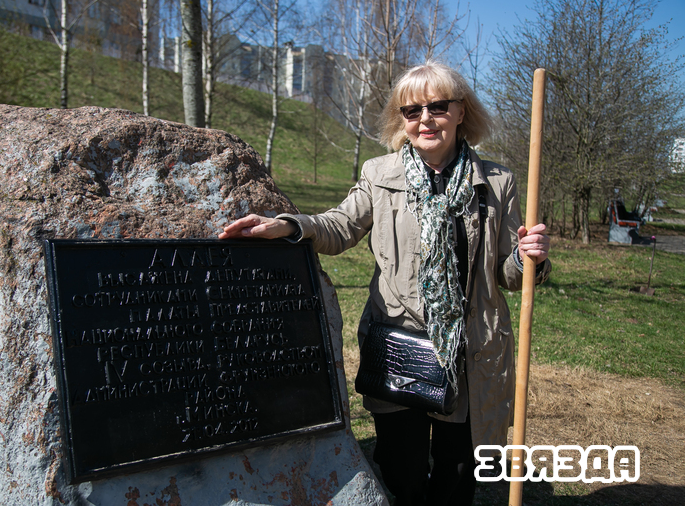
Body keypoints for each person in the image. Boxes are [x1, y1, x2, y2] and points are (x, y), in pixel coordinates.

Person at [219, 61, 551, 506]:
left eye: (437, 106)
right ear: (401, 119)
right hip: (400, 343)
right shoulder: (380, 173)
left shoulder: (496, 182)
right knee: (402, 469)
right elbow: (338, 226)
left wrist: (529, 257)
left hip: (470, 350)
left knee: (457, 471)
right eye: (411, 110)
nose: (425, 119)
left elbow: (509, 276)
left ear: (460, 111)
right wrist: (287, 226)